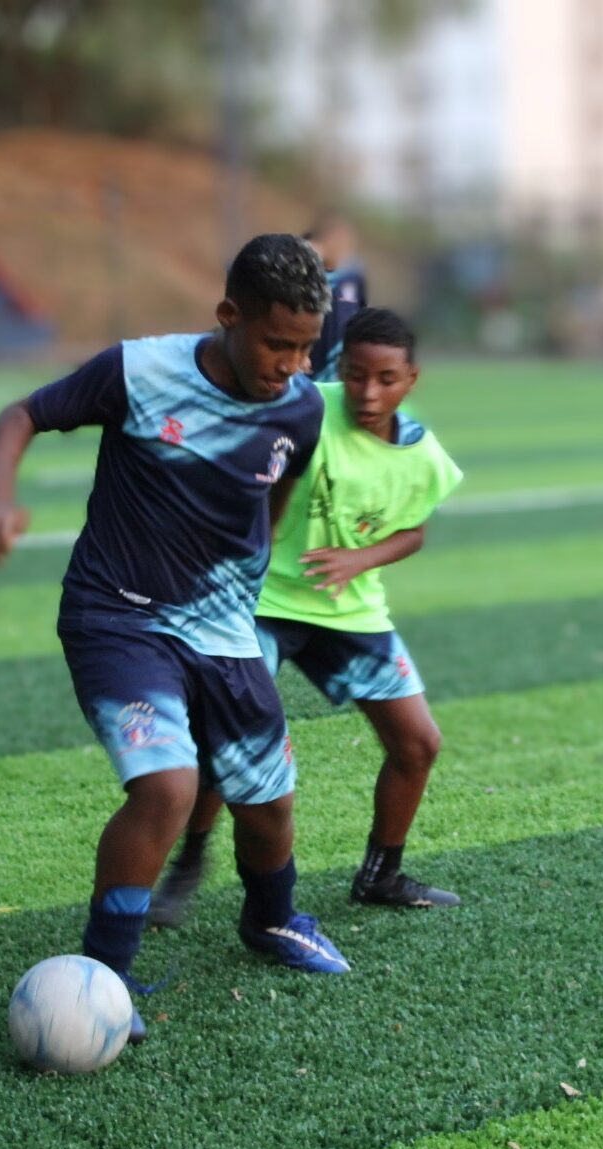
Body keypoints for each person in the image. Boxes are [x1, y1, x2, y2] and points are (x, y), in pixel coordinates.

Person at [0, 234, 350, 1046]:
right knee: (169, 787)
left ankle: (272, 921)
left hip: (222, 627)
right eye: (277, 342)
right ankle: (107, 972)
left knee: (269, 799)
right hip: (118, 614)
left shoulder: (303, 406)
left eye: (306, 346)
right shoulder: (138, 373)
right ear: (228, 316)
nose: (291, 362)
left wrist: (247, 581)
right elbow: (24, 413)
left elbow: (269, 498)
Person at [150, 306, 463, 929]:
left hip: (350, 612)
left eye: (385, 379)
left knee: (419, 743)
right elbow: (248, 482)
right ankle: (188, 863)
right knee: (224, 737)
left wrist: (360, 558)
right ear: (337, 370)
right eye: (354, 375)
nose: (367, 393)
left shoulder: (422, 453)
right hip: (263, 604)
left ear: (411, 379)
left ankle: (381, 875)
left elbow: (414, 532)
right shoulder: (302, 408)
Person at [304, 213, 368, 382]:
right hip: (311, 365)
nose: (341, 247)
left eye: (345, 242)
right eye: (335, 240)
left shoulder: (353, 275)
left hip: (342, 367)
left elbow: (361, 313)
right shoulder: (305, 274)